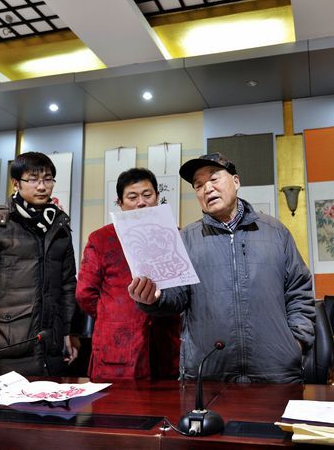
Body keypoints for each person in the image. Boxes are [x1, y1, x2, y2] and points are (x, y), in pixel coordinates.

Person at [129, 153, 315, 383]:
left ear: (236, 182)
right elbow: (176, 296)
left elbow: (299, 289)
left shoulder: (275, 232)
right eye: (198, 185)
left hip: (276, 372)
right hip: (209, 373)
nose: (207, 189)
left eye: (214, 179)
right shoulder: (186, 238)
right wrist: (154, 298)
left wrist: (297, 342)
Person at [0, 152, 78, 377]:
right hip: (4, 347)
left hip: (51, 349)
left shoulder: (60, 227)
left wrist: (68, 332)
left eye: (48, 179)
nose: (41, 186)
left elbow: (68, 284)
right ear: (16, 183)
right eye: (32, 179)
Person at [76, 168, 181, 381]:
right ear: (120, 203)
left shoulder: (174, 234)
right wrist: (113, 315)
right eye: (132, 197)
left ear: (157, 197)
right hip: (118, 347)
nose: (141, 202)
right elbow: (85, 293)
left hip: (166, 342)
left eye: (147, 195)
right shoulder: (101, 239)